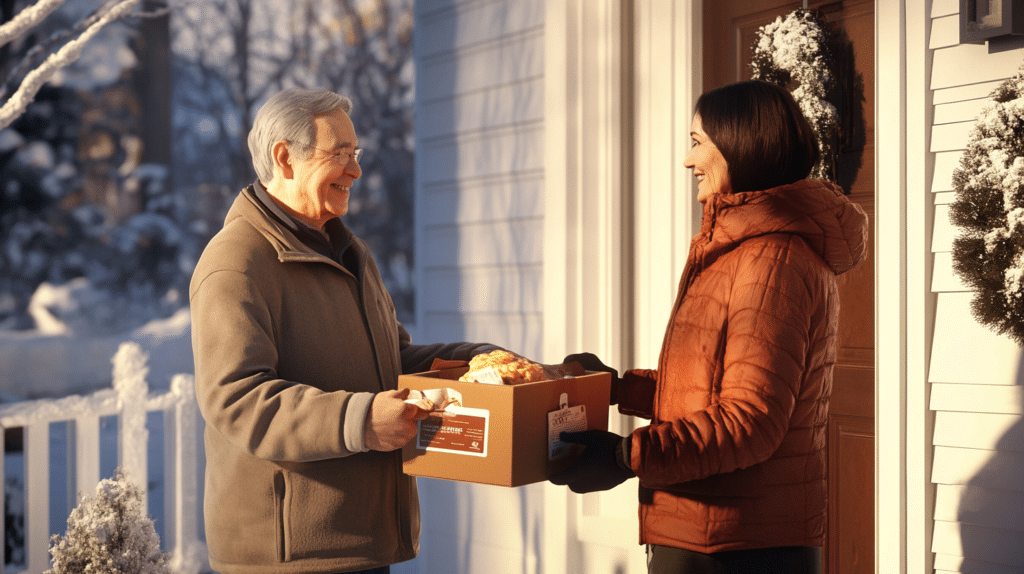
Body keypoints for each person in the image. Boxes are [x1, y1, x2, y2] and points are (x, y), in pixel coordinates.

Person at [550, 80, 869, 573]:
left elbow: (749, 422)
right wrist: (618, 388)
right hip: (708, 535)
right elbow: (711, 392)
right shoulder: (741, 250)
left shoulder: (772, 260)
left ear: (740, 144)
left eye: (698, 142)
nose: (686, 159)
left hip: (737, 549)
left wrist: (624, 457)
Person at [189, 87, 499, 574]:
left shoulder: (350, 253)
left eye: (355, 154)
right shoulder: (237, 262)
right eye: (340, 155)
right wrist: (361, 420)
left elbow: (391, 363)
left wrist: (480, 362)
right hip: (289, 556)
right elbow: (238, 399)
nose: (355, 170)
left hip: (359, 543)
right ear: (285, 158)